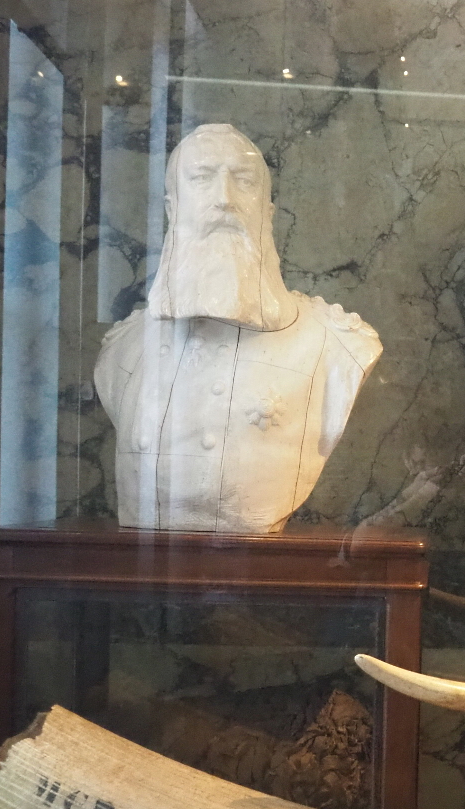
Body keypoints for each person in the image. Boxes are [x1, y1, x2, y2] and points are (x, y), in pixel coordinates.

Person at [95, 124, 382, 533]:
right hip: (139, 561)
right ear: (172, 209)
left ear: (267, 213)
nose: (224, 199)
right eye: (201, 178)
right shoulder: (124, 349)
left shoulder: (337, 346)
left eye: (243, 181)